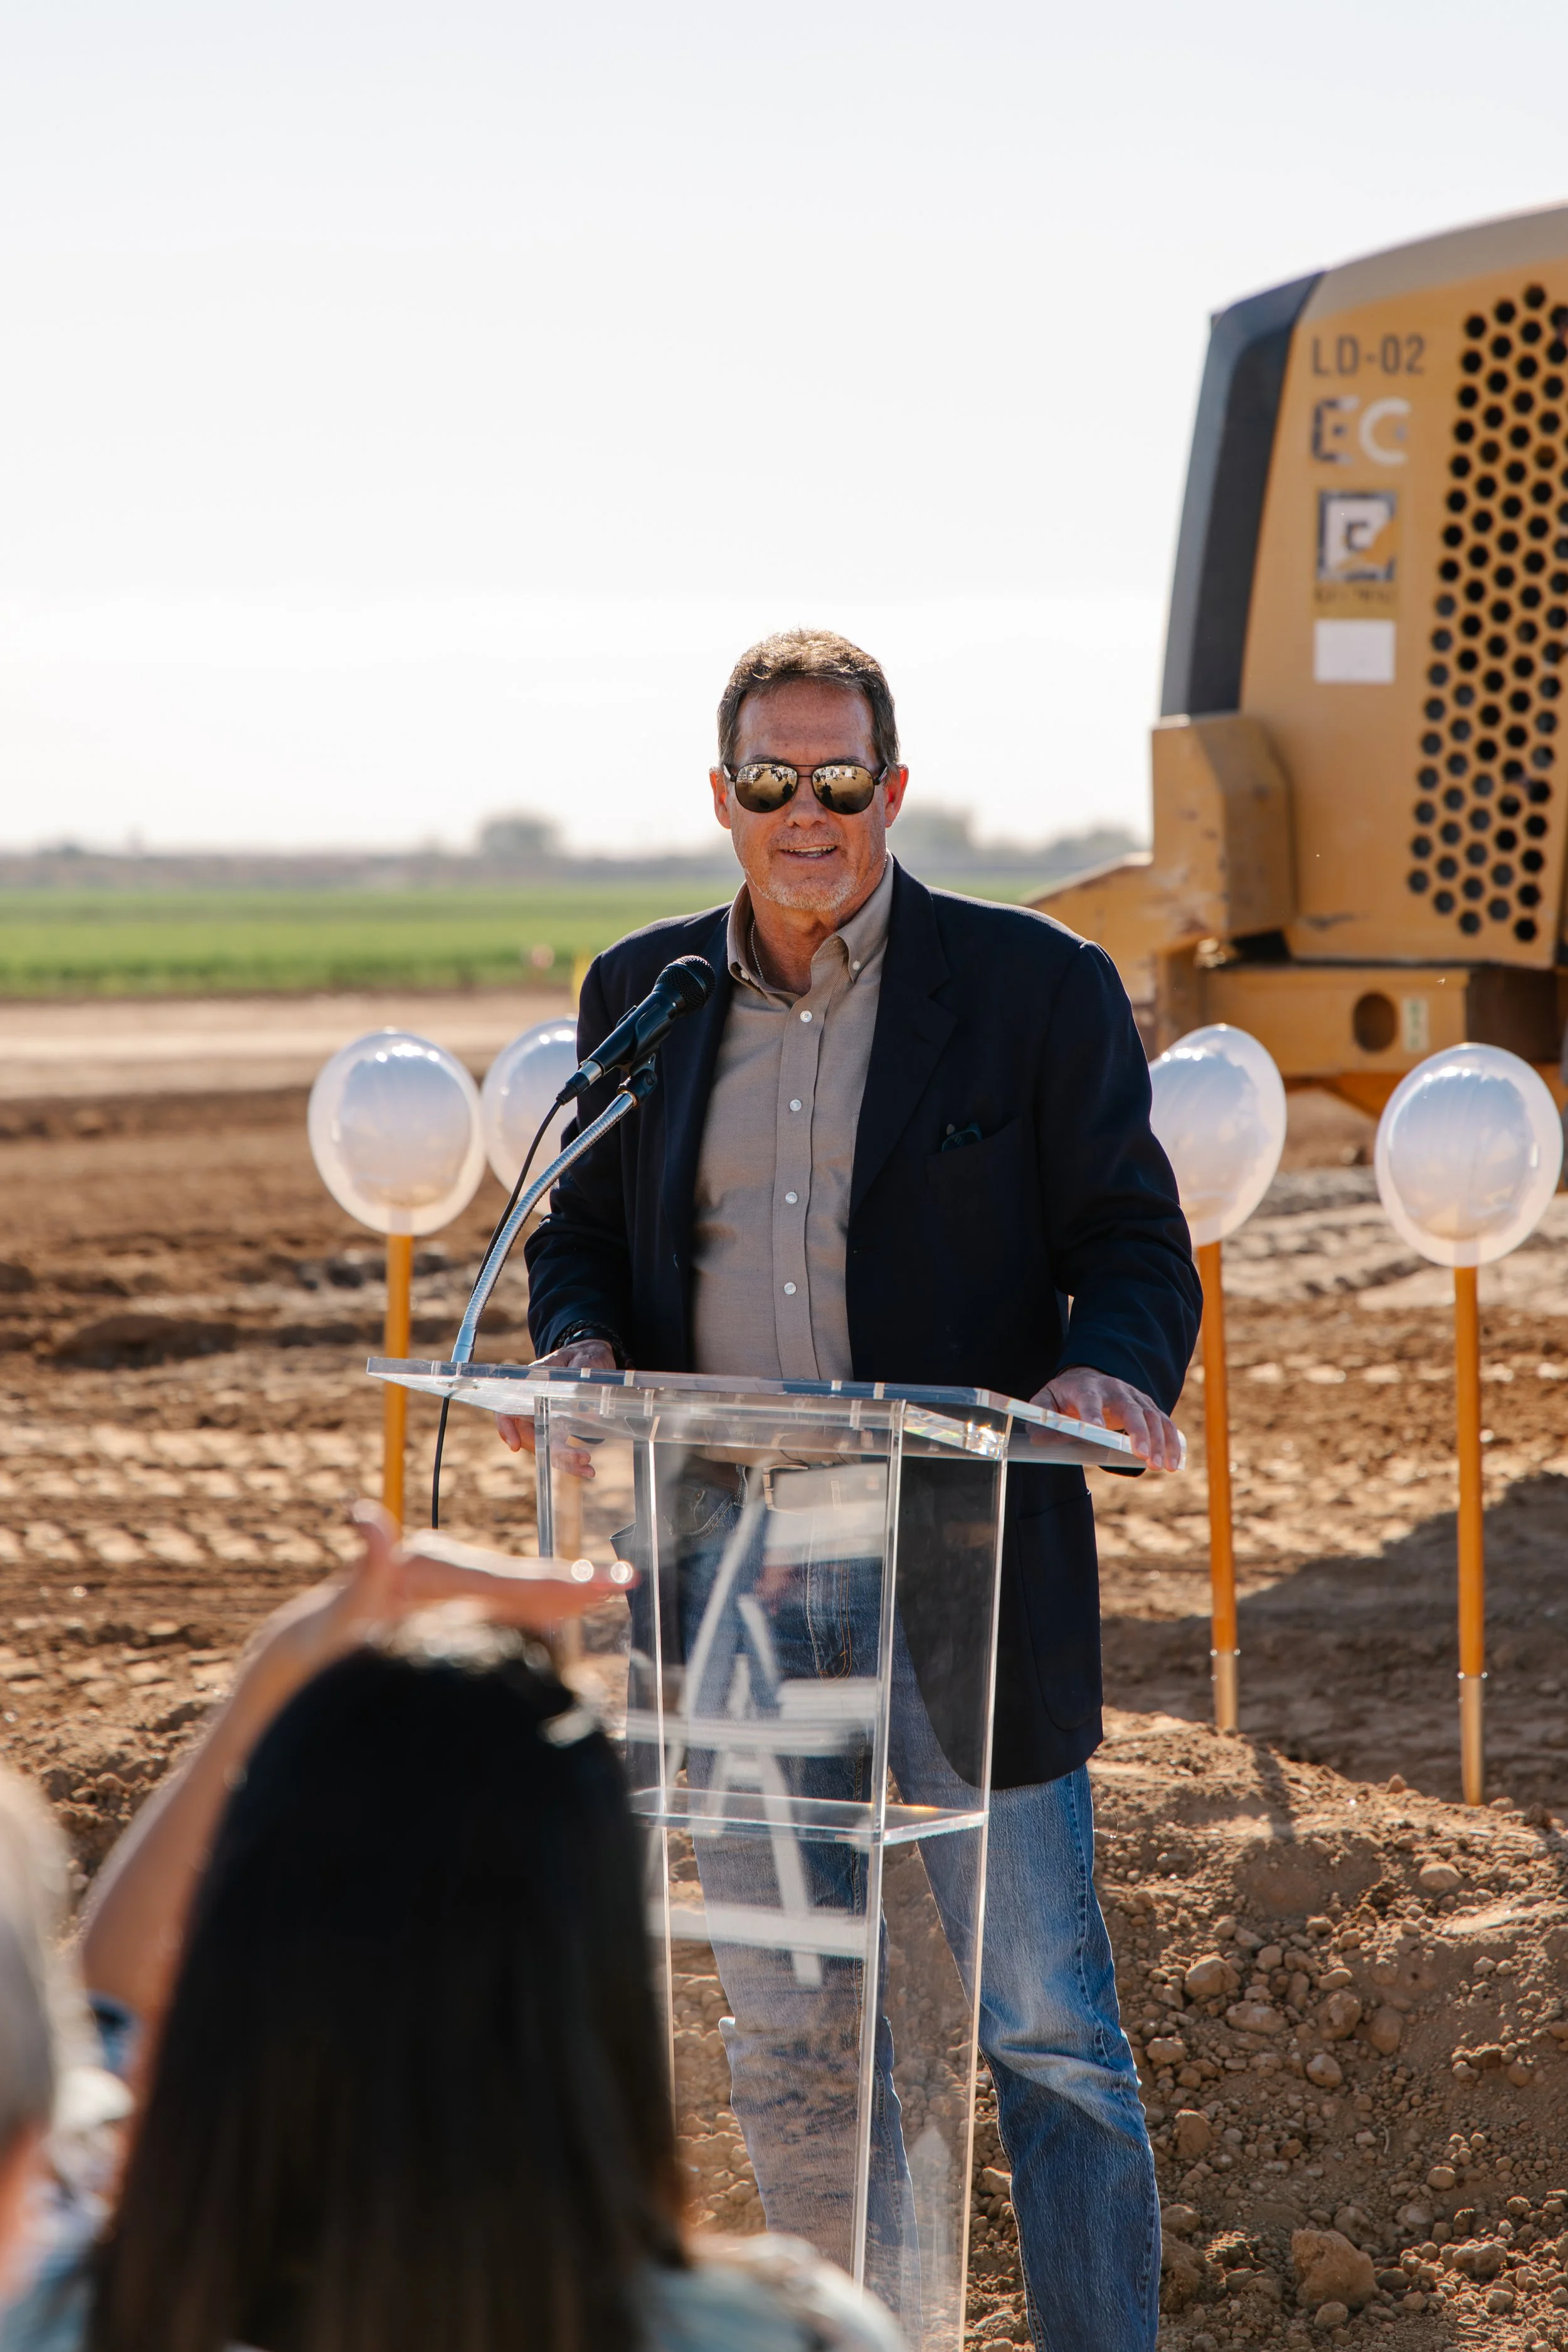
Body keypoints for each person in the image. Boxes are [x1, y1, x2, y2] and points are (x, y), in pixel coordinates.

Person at [507, 628, 1202, 2351]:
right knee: (791, 2029)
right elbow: (581, 1238)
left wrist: (1107, 1364)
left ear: (890, 792)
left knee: (1040, 2019)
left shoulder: (1029, 987)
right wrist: (578, 1348)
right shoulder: (643, 993)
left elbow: (1127, 1230)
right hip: (728, 1561)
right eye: (769, 780)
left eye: (838, 779)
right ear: (724, 798)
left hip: (963, 1563)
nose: (803, 811)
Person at [1, 1508, 903, 2352]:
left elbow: (105, 2012)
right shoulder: (794, 2335)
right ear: (592, 1974)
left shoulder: (72, 2311)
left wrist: (278, 1679)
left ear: (239, 1959)